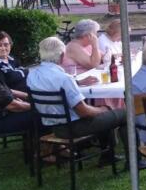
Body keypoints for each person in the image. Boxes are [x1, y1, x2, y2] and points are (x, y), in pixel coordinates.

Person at [27, 37, 125, 165]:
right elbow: (84, 112)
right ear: (62, 55)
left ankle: (107, 154)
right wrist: (103, 109)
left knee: (103, 113)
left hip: (52, 126)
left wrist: (77, 82)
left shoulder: (32, 75)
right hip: (73, 128)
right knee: (123, 114)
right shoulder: (64, 78)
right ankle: (133, 159)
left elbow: (52, 85)